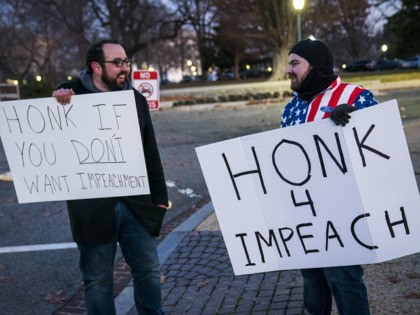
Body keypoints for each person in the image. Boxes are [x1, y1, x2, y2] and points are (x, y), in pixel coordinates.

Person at [52, 39, 168, 315]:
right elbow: (53, 144)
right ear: (95, 66)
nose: (124, 68)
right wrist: (57, 97)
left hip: (136, 204)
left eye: (126, 62)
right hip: (92, 207)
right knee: (97, 280)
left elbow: (149, 149)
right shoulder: (70, 99)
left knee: (149, 271)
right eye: (117, 63)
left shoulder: (135, 99)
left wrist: (160, 197)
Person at [281, 38, 378, 315]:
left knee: (344, 280)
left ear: (315, 66)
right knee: (313, 282)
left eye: (295, 63)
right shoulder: (291, 109)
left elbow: (381, 146)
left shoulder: (355, 96)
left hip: (343, 213)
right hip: (307, 215)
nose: (289, 70)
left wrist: (355, 121)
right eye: (289, 63)